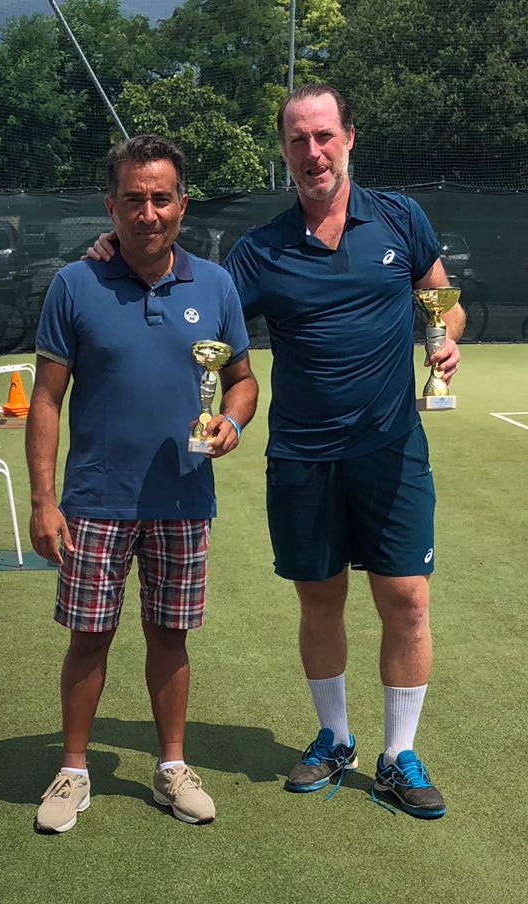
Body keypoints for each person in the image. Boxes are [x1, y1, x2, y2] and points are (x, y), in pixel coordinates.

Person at [90, 86, 464, 819]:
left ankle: (399, 754)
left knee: (407, 600)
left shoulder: (401, 219)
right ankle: (335, 737)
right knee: (320, 602)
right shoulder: (259, 250)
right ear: (285, 151)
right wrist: (117, 249)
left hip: (392, 451)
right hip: (301, 458)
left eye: (324, 136)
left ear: (349, 137)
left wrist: (446, 340)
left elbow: (443, 302)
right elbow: (198, 302)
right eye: (298, 140)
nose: (312, 152)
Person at [27, 133, 258, 835]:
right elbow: (45, 400)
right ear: (111, 205)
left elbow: (243, 382)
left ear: (183, 204)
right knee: (88, 638)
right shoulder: (75, 284)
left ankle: (172, 768)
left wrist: (231, 423)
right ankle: (73, 771)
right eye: (134, 199)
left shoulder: (216, 286)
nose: (148, 213)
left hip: (184, 499)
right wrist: (43, 501)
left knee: (170, 637)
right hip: (96, 500)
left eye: (161, 198)